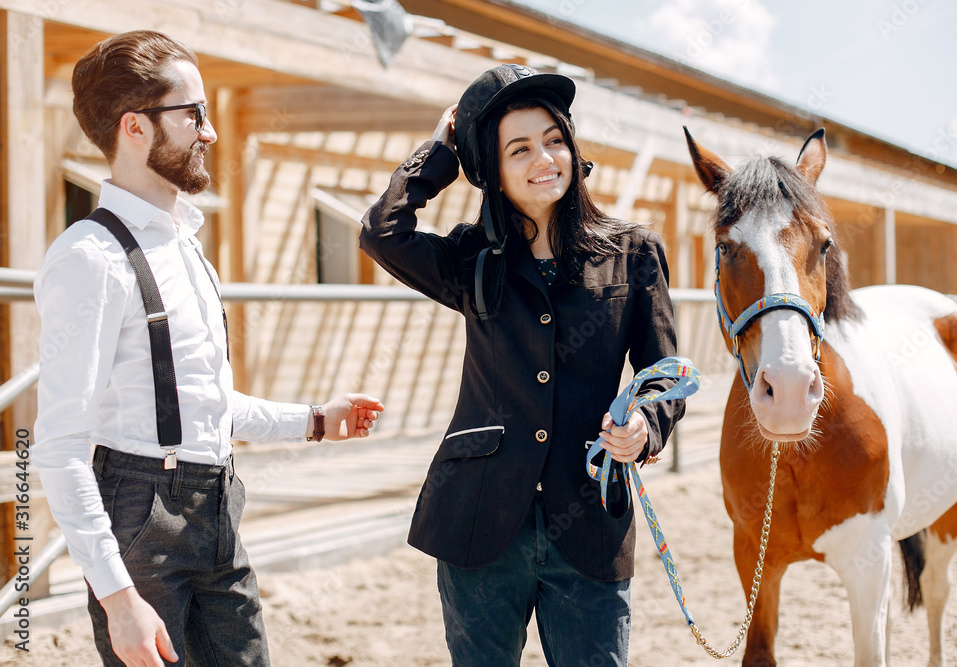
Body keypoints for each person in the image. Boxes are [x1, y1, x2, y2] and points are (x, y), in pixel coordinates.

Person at [32, 30, 383, 667]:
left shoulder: (187, 245)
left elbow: (201, 401)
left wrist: (313, 421)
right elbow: (57, 448)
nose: (210, 132)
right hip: (141, 517)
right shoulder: (90, 257)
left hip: (217, 504)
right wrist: (118, 599)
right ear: (134, 127)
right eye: (193, 113)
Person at [360, 64, 685, 666]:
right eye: (519, 148)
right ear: (493, 171)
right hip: (478, 521)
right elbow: (383, 233)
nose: (544, 158)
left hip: (589, 522)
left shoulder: (633, 253)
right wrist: (438, 157)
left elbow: (665, 371)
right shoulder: (469, 256)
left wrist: (646, 426)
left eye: (554, 140)